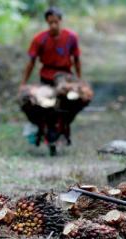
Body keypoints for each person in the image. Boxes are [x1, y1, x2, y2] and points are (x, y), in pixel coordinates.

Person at [19, 7, 86, 151]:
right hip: (46, 78)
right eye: (50, 23)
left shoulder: (71, 37)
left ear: (60, 21)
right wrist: (23, 83)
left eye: (56, 22)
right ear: (47, 22)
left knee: (79, 99)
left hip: (66, 78)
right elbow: (31, 62)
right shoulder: (39, 39)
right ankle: (41, 128)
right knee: (36, 102)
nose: (53, 26)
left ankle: (66, 125)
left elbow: (77, 59)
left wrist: (79, 80)